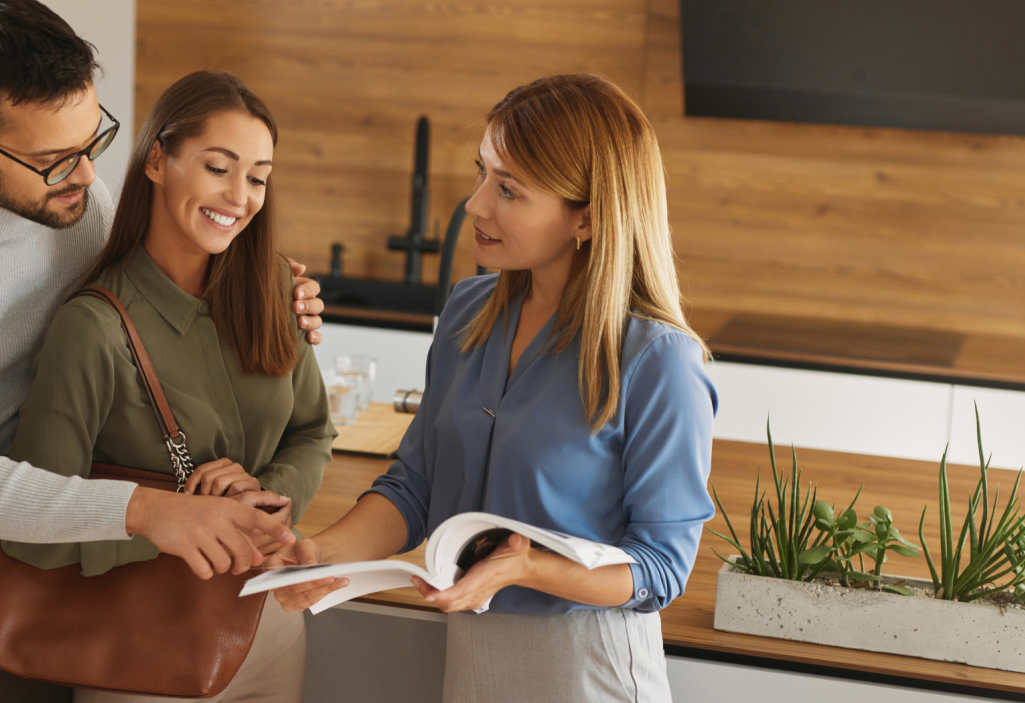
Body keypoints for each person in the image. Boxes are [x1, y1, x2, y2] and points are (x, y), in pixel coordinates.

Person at [0, 0, 328, 703]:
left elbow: (159, 302)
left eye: (92, 141)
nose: (83, 175)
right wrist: (148, 511)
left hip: (49, 600)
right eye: (52, 158)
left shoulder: (76, 206)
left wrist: (274, 290)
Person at [267, 74, 717, 702]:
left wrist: (530, 566)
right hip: (473, 662)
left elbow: (662, 569)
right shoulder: (466, 311)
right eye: (481, 172)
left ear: (585, 216)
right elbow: (414, 486)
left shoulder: (659, 360)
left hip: (589, 671)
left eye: (508, 190)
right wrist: (324, 553)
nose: (476, 204)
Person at [2, 71, 335, 703]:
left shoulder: (273, 291)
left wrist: (264, 498)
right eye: (219, 167)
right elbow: (28, 528)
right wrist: (170, 522)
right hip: (144, 651)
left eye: (258, 176)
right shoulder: (92, 329)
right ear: (158, 159)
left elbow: (312, 431)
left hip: (272, 628)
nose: (240, 196)